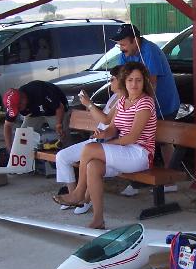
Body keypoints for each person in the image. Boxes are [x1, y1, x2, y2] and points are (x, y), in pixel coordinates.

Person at [53, 61, 157, 229]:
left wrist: (110, 143)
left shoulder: (145, 102)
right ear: (124, 81)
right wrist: (103, 135)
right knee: (93, 166)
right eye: (130, 80)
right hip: (123, 151)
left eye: (138, 80)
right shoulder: (122, 100)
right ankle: (98, 220)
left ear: (144, 81)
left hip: (139, 153)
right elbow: (113, 127)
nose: (134, 84)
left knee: (89, 149)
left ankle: (79, 193)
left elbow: (133, 137)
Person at [110, 23, 180, 196]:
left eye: (123, 44)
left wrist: (139, 106)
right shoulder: (125, 55)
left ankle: (170, 180)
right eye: (119, 44)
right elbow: (122, 80)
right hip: (139, 106)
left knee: (164, 141)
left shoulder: (150, 51)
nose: (121, 48)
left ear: (135, 40)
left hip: (164, 104)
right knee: (136, 139)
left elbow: (151, 85)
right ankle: (136, 182)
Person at [55, 65, 124, 215]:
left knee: (90, 165)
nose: (110, 82)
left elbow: (106, 121)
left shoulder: (123, 99)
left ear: (122, 80)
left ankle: (84, 199)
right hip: (97, 139)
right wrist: (89, 106)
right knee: (61, 157)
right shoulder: (114, 97)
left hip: (108, 143)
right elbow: (102, 120)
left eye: (113, 79)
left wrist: (89, 104)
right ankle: (74, 196)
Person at [3, 80, 69, 152]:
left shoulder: (40, 90)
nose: (18, 110)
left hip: (55, 111)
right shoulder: (12, 104)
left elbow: (60, 107)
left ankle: (66, 151)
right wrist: (9, 148)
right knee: (24, 134)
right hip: (35, 114)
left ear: (22, 99)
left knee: (62, 132)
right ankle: (25, 155)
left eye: (18, 108)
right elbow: (7, 125)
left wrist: (59, 124)